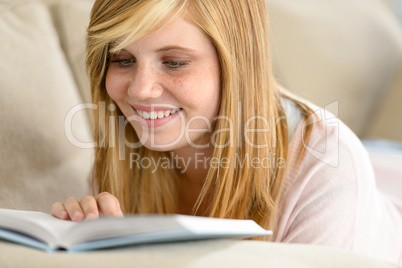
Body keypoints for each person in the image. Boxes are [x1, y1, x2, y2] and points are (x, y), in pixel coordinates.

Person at [51, 0, 402, 265]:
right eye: (123, 60)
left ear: (236, 62)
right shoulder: (123, 155)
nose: (140, 90)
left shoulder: (326, 164)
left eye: (174, 62)